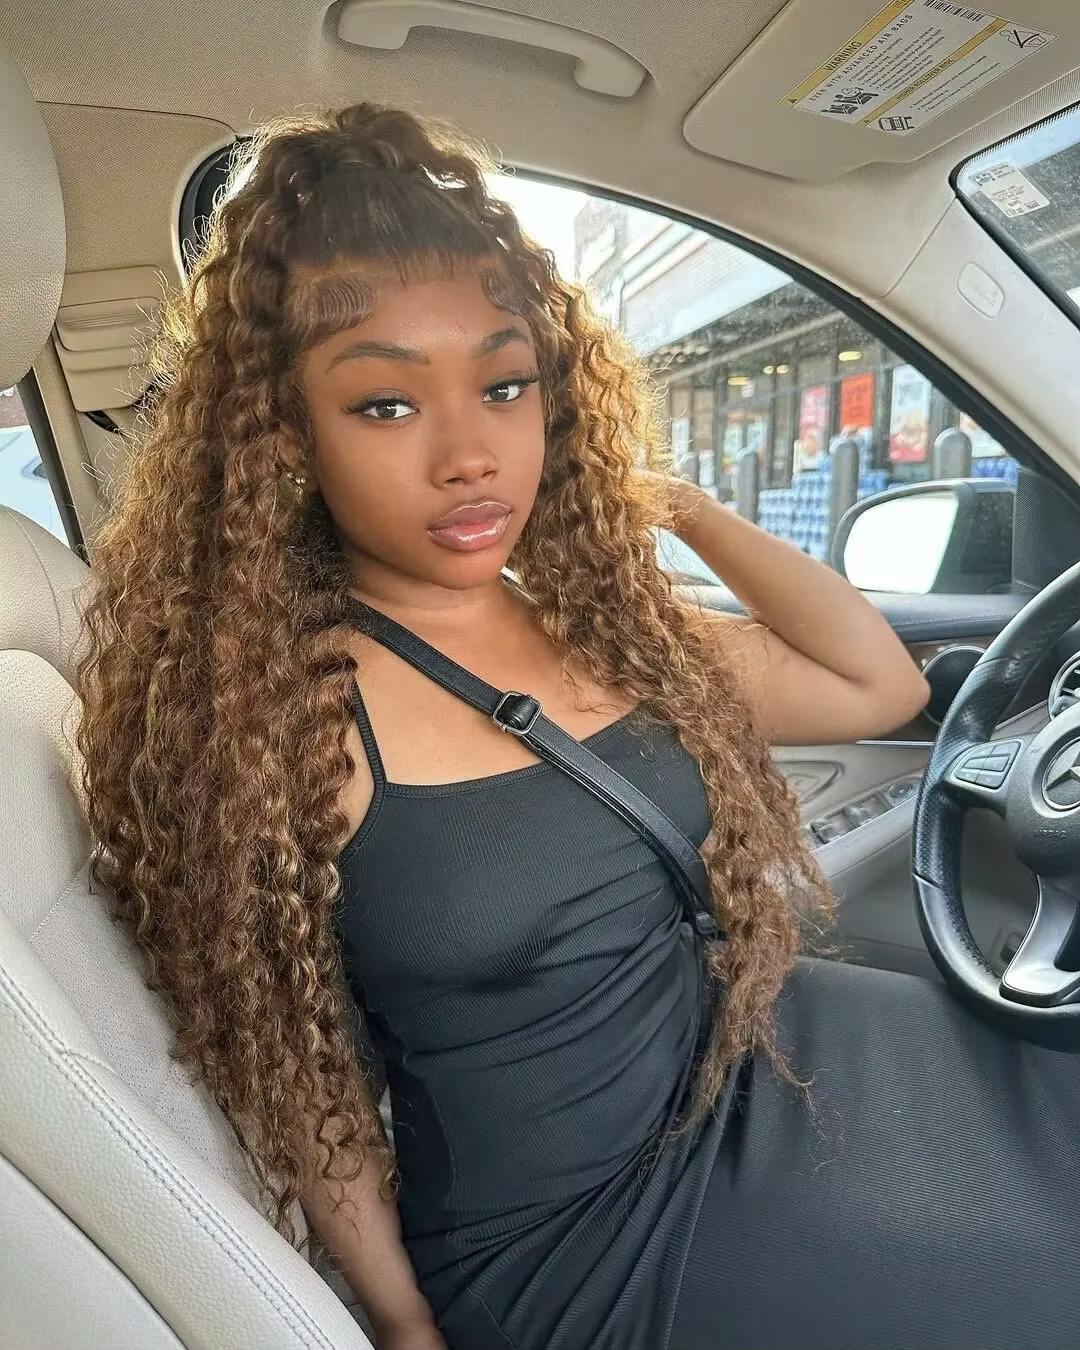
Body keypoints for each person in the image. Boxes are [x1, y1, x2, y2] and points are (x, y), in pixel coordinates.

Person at [73, 103, 1080, 1350]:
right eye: (385, 405)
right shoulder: (280, 715)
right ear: (285, 432)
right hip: (587, 1235)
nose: (469, 455)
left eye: (505, 387)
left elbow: (876, 687)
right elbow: (298, 1069)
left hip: (754, 1060)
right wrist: (404, 1325)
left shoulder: (600, 625)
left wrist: (680, 508)